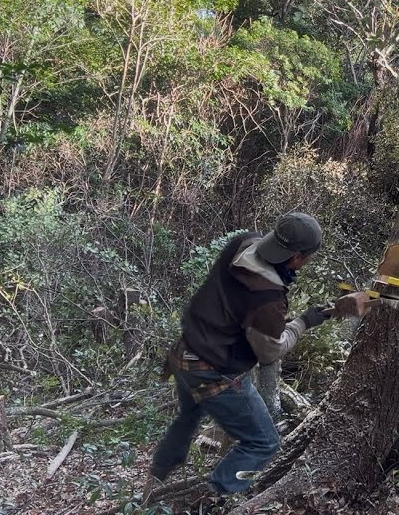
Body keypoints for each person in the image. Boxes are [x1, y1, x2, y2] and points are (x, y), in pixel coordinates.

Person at [147, 212, 373, 497]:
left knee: (188, 416)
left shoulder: (243, 243)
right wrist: (303, 322)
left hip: (184, 355)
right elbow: (271, 352)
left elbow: (239, 307)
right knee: (264, 443)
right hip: (213, 371)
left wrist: (311, 314)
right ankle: (211, 498)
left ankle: (156, 478)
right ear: (297, 258)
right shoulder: (266, 299)